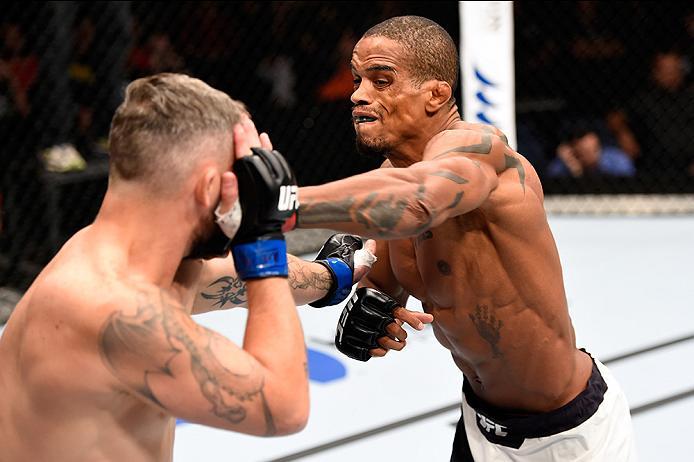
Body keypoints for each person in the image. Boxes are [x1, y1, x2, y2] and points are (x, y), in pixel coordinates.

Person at [292, 16, 637, 460]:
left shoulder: (480, 151)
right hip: (480, 426)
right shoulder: (389, 183)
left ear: (436, 94)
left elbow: (420, 200)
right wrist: (371, 309)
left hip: (570, 434)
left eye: (381, 81)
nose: (358, 94)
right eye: (359, 80)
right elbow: (380, 282)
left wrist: (284, 204)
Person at [0, 73, 379, 461]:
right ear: (207, 187)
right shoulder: (109, 305)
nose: (244, 197)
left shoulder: (118, 257)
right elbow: (284, 406)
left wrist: (336, 274)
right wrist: (260, 234)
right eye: (241, 180)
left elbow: (223, 277)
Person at [546, 122, 635, 178]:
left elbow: (629, 178)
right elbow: (550, 175)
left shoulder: (617, 159)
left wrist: (597, 166)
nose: (587, 157)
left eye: (589, 151)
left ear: (597, 144)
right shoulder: (566, 161)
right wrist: (575, 170)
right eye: (581, 153)